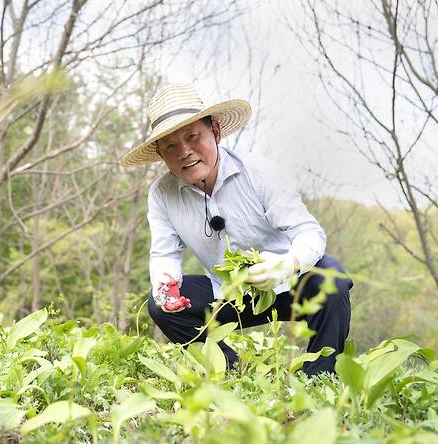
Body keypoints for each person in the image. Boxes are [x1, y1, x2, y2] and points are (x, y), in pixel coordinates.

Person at [119, 84, 352, 376]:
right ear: (161, 154)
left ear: (215, 132)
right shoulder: (162, 193)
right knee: (159, 304)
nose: (185, 152)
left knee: (333, 276)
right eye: (171, 146)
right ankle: (231, 369)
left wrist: (287, 264)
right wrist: (166, 285)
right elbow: (164, 253)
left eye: (192, 137)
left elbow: (310, 233)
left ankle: (319, 376)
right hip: (227, 292)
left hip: (285, 283)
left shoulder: (260, 173)